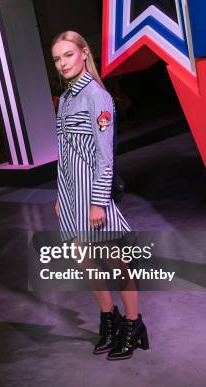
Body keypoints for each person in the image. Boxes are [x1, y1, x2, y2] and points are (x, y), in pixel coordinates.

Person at [51, 31, 148, 360]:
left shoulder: (97, 96)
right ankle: (110, 318)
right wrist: (60, 196)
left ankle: (134, 325)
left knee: (115, 263)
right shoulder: (64, 100)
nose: (63, 63)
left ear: (83, 53)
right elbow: (65, 155)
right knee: (85, 265)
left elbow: (105, 157)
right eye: (57, 58)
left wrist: (97, 202)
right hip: (70, 199)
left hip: (94, 198)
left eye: (68, 55)